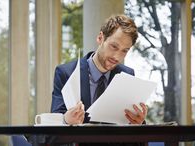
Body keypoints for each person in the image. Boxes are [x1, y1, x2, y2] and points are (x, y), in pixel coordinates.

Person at [51, 14, 147, 146]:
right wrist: (67, 120)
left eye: (124, 51)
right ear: (100, 38)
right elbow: (52, 127)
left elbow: (133, 134)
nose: (117, 56)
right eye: (114, 46)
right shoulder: (65, 73)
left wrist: (139, 123)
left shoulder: (127, 75)